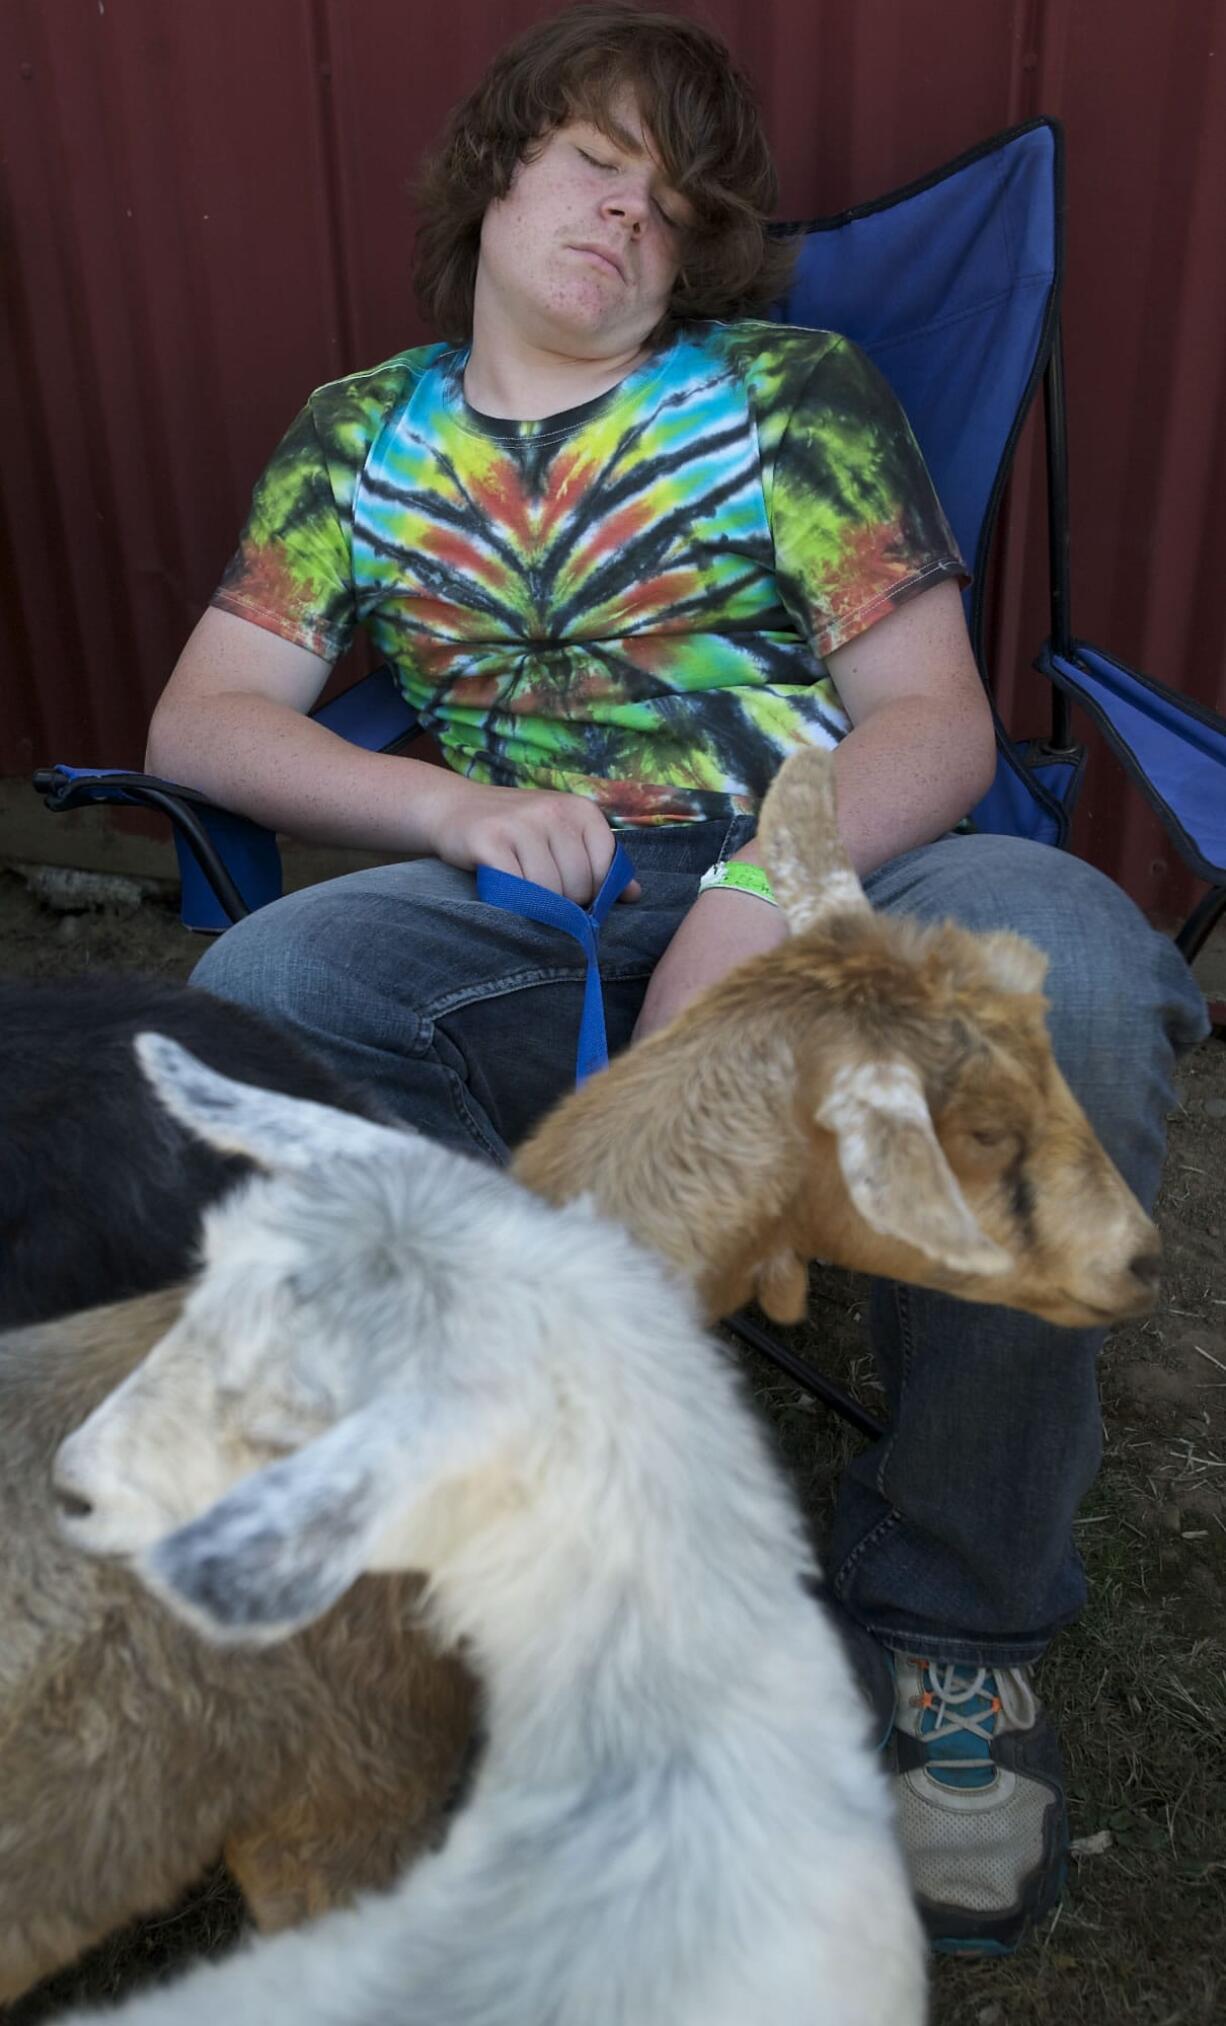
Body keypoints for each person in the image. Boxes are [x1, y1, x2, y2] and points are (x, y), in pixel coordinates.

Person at [149, 1, 1207, 1956]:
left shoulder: (792, 393)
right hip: (530, 903)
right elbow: (205, 712)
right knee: (275, 977)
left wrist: (770, 873)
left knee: (1059, 974)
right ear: (495, 173)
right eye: (595, 164)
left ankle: (952, 1640)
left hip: (847, 857)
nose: (634, 220)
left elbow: (925, 715)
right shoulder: (358, 438)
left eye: (677, 200)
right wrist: (443, 798)